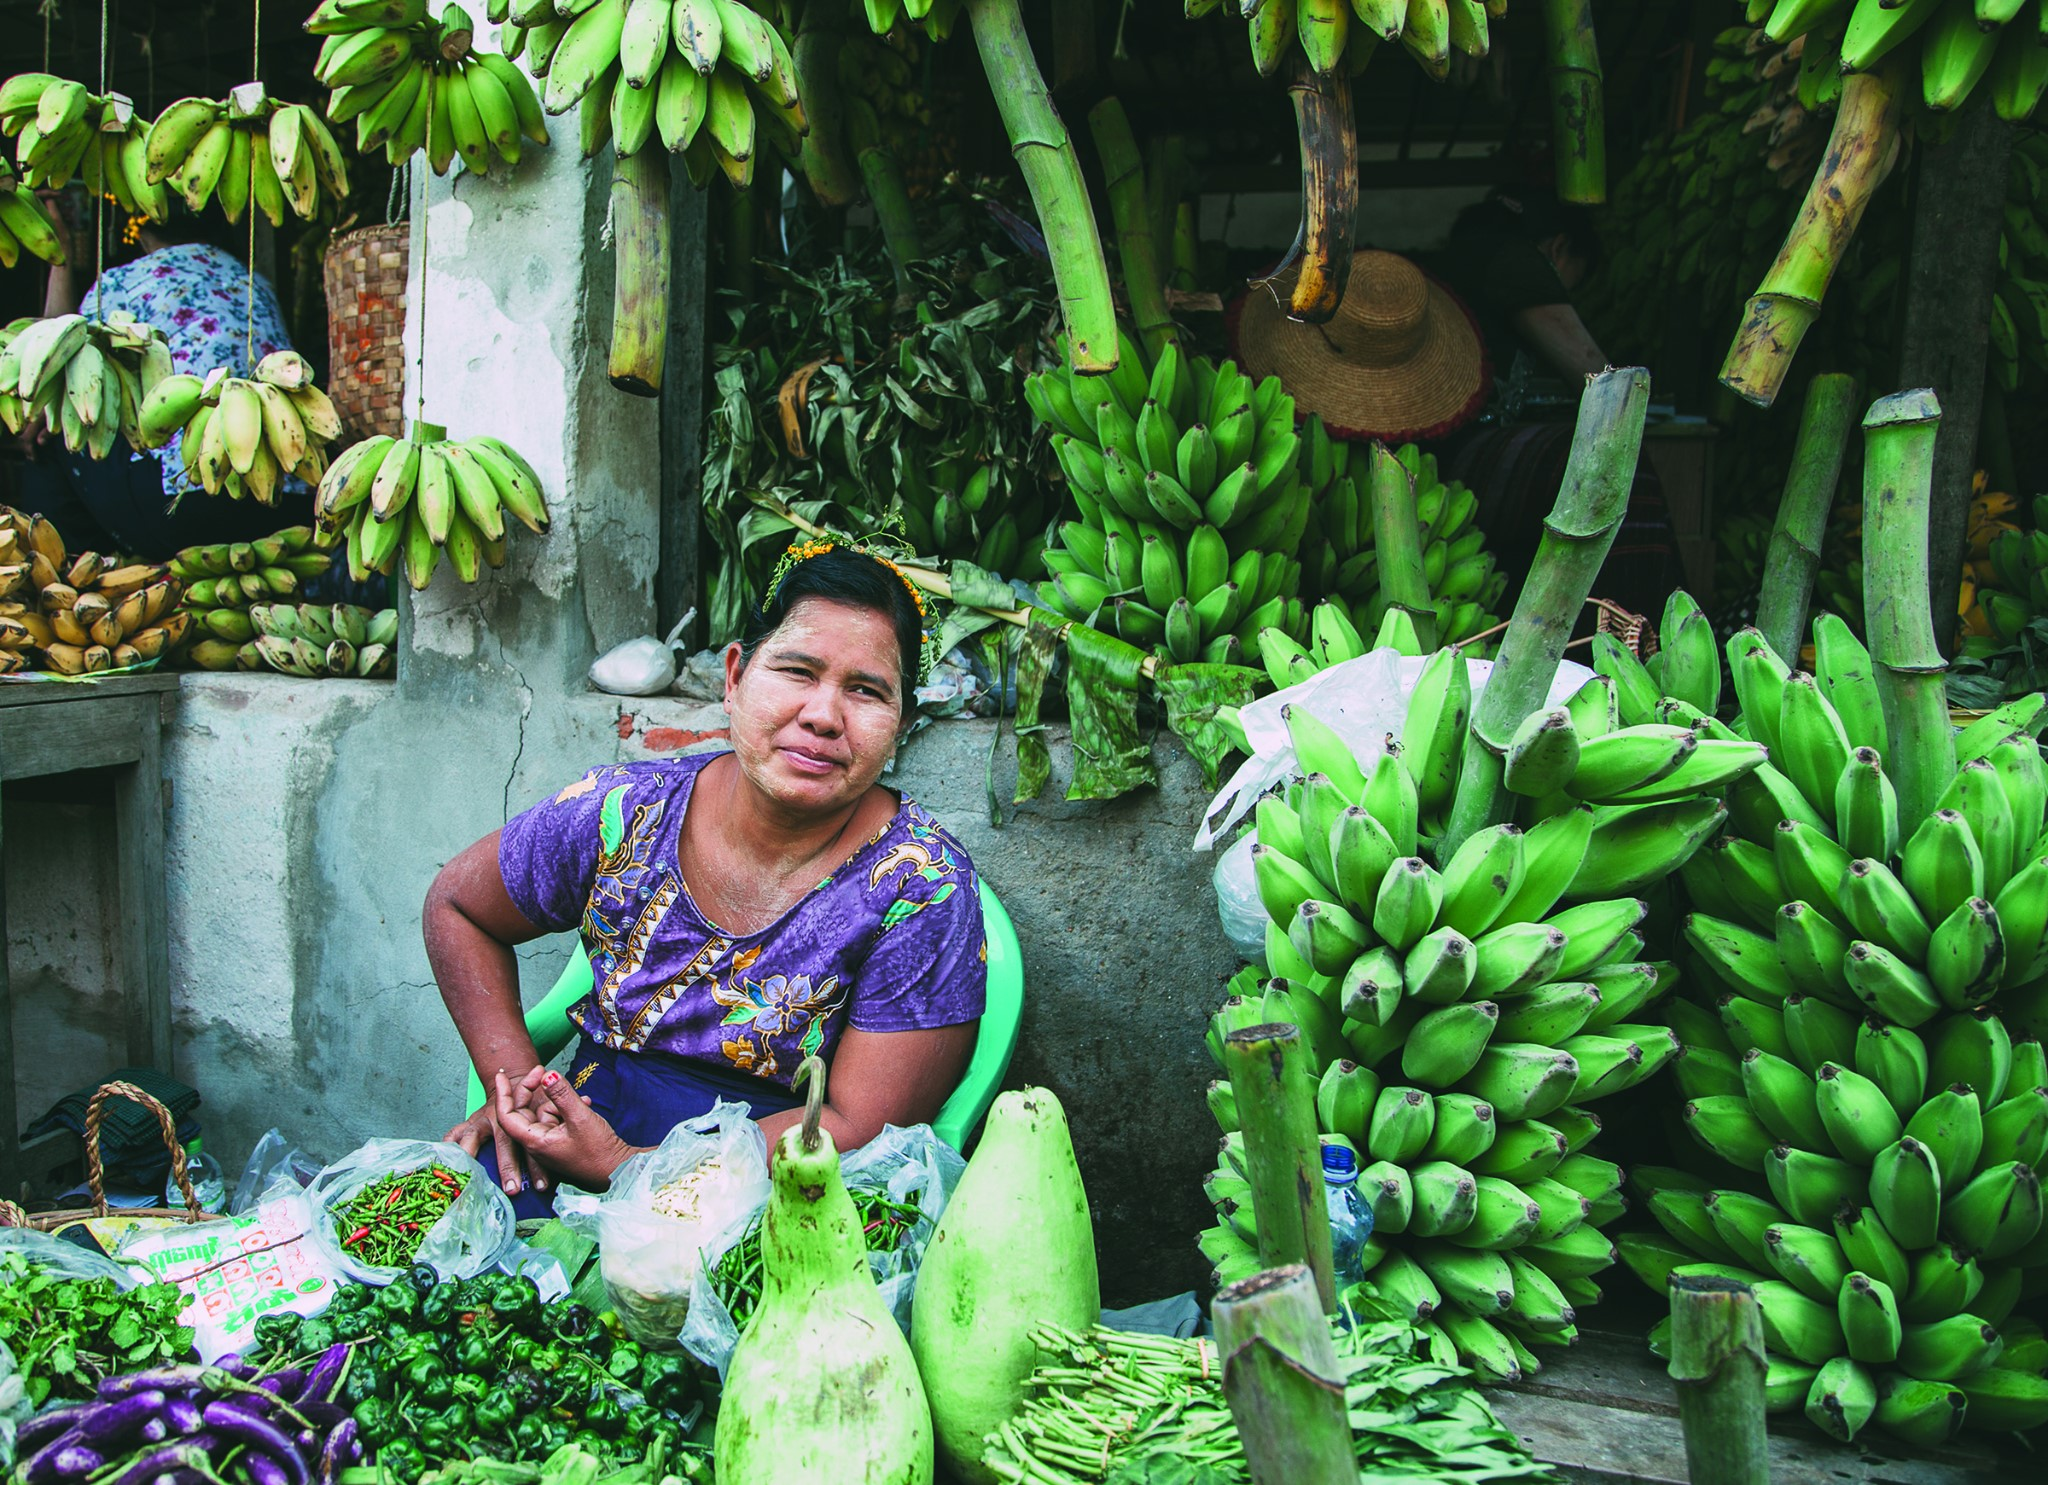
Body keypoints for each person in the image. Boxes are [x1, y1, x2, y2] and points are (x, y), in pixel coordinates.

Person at [425, 541, 987, 1209]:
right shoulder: (625, 811)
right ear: (734, 677)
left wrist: (630, 1168)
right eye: (797, 671)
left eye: (866, 690)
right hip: (582, 1124)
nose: (822, 716)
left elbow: (858, 1125)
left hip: (776, 1181)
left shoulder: (922, 887)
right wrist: (518, 1089)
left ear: (900, 725)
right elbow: (458, 906)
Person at [20, 196, 315, 556]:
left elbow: (54, 355)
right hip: (289, 500)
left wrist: (61, 253)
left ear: (143, 232)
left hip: (186, 499)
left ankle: (75, 572)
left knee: (54, 428)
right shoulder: (256, 282)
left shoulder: (121, 283)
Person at [1433, 186, 1609, 385]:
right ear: (1559, 247)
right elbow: (1591, 369)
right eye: (1564, 288)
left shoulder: (1467, 254)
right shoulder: (1519, 262)